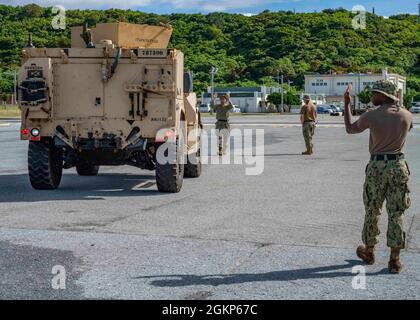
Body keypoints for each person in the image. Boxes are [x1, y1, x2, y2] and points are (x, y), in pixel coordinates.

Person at [344, 80, 413, 274]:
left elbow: (350, 128)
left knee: (373, 210)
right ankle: (395, 260)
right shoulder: (407, 115)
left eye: (375, 93)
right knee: (397, 212)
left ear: (384, 95)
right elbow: (408, 126)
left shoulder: (371, 116)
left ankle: (369, 251)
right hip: (399, 166)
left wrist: (347, 103)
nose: (372, 96)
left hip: (377, 167)